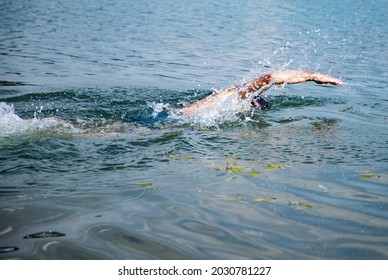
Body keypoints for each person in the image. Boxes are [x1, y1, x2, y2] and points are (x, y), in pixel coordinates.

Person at [179, 70, 343, 117]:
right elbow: (271, 77)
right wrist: (312, 76)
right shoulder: (239, 96)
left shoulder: (230, 100)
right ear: (252, 102)